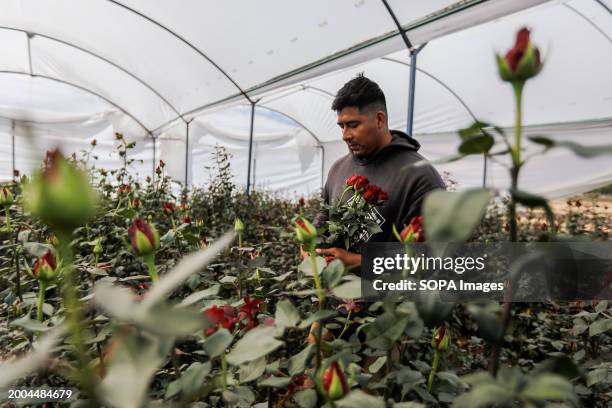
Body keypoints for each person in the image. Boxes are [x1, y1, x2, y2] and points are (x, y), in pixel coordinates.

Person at [313, 74, 446, 267]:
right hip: (331, 294)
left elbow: (431, 257)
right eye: (341, 126)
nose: (345, 135)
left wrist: (358, 261)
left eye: (353, 125)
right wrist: (311, 238)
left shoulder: (419, 177)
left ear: (379, 119)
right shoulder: (338, 168)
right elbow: (325, 213)